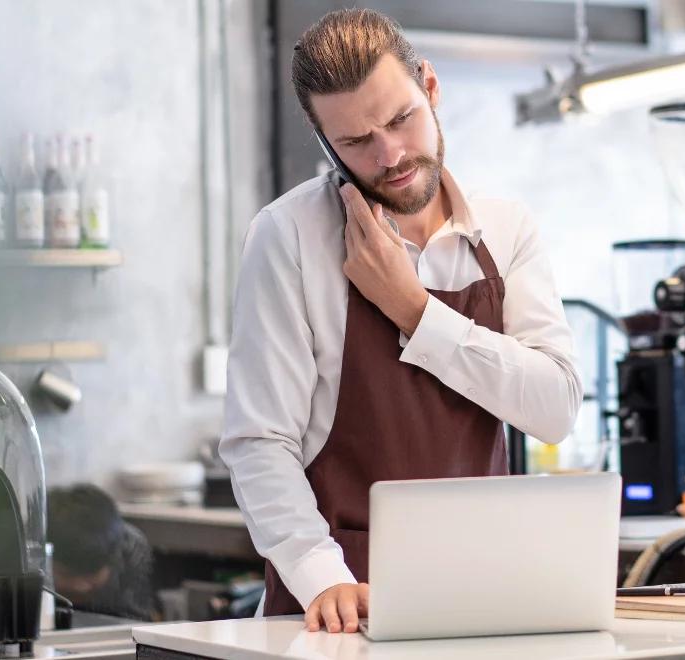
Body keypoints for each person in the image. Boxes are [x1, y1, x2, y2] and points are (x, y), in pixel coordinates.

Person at [220, 8, 582, 634]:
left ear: (430, 87)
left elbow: (554, 408)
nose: (390, 156)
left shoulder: (507, 228)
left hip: (483, 593)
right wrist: (318, 572)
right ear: (325, 141)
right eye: (357, 142)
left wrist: (414, 311)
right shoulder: (288, 236)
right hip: (339, 605)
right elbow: (259, 442)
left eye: (400, 119)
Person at [46, 484, 156, 621]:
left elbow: (135, 624)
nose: (80, 587)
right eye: (67, 575)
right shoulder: (31, 547)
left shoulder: (130, 548)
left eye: (91, 575)